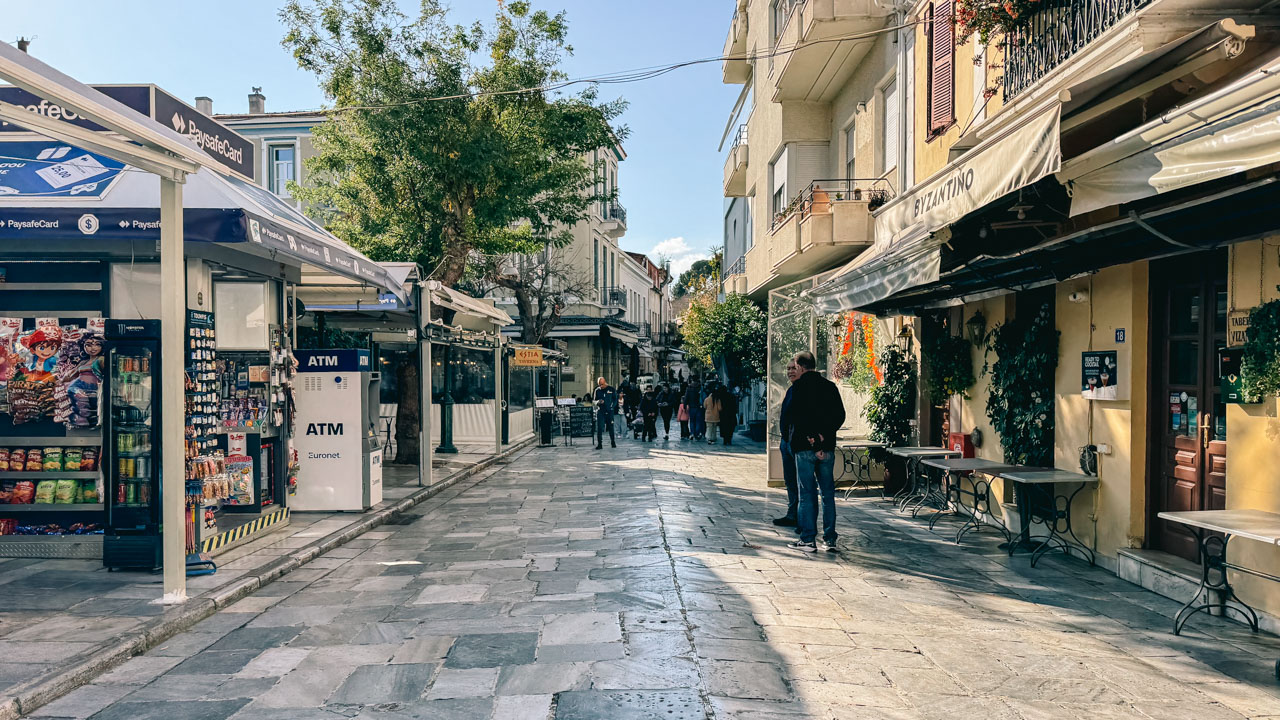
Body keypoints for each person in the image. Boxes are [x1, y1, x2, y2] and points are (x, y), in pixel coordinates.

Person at [785, 351, 846, 553]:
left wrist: (812, 438)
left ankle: (808, 539)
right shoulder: (830, 387)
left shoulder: (798, 388)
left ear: (801, 367)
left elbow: (797, 416)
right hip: (826, 447)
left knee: (807, 494)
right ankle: (829, 539)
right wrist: (823, 437)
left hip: (804, 448)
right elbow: (839, 415)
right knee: (828, 495)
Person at [773, 359, 801, 528]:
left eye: (794, 368)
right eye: (788, 369)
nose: (790, 371)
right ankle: (792, 514)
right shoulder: (791, 390)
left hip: (797, 442)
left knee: (800, 482)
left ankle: (802, 519)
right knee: (790, 480)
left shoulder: (803, 391)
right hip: (787, 441)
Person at [593, 377, 618, 449]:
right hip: (601, 410)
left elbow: (615, 399)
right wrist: (598, 402)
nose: (601, 386)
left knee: (611, 427)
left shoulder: (611, 389)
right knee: (599, 427)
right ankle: (599, 443)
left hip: (609, 411)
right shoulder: (597, 390)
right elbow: (594, 401)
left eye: (602, 384)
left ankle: (613, 441)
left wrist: (612, 406)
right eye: (599, 385)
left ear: (605, 382)